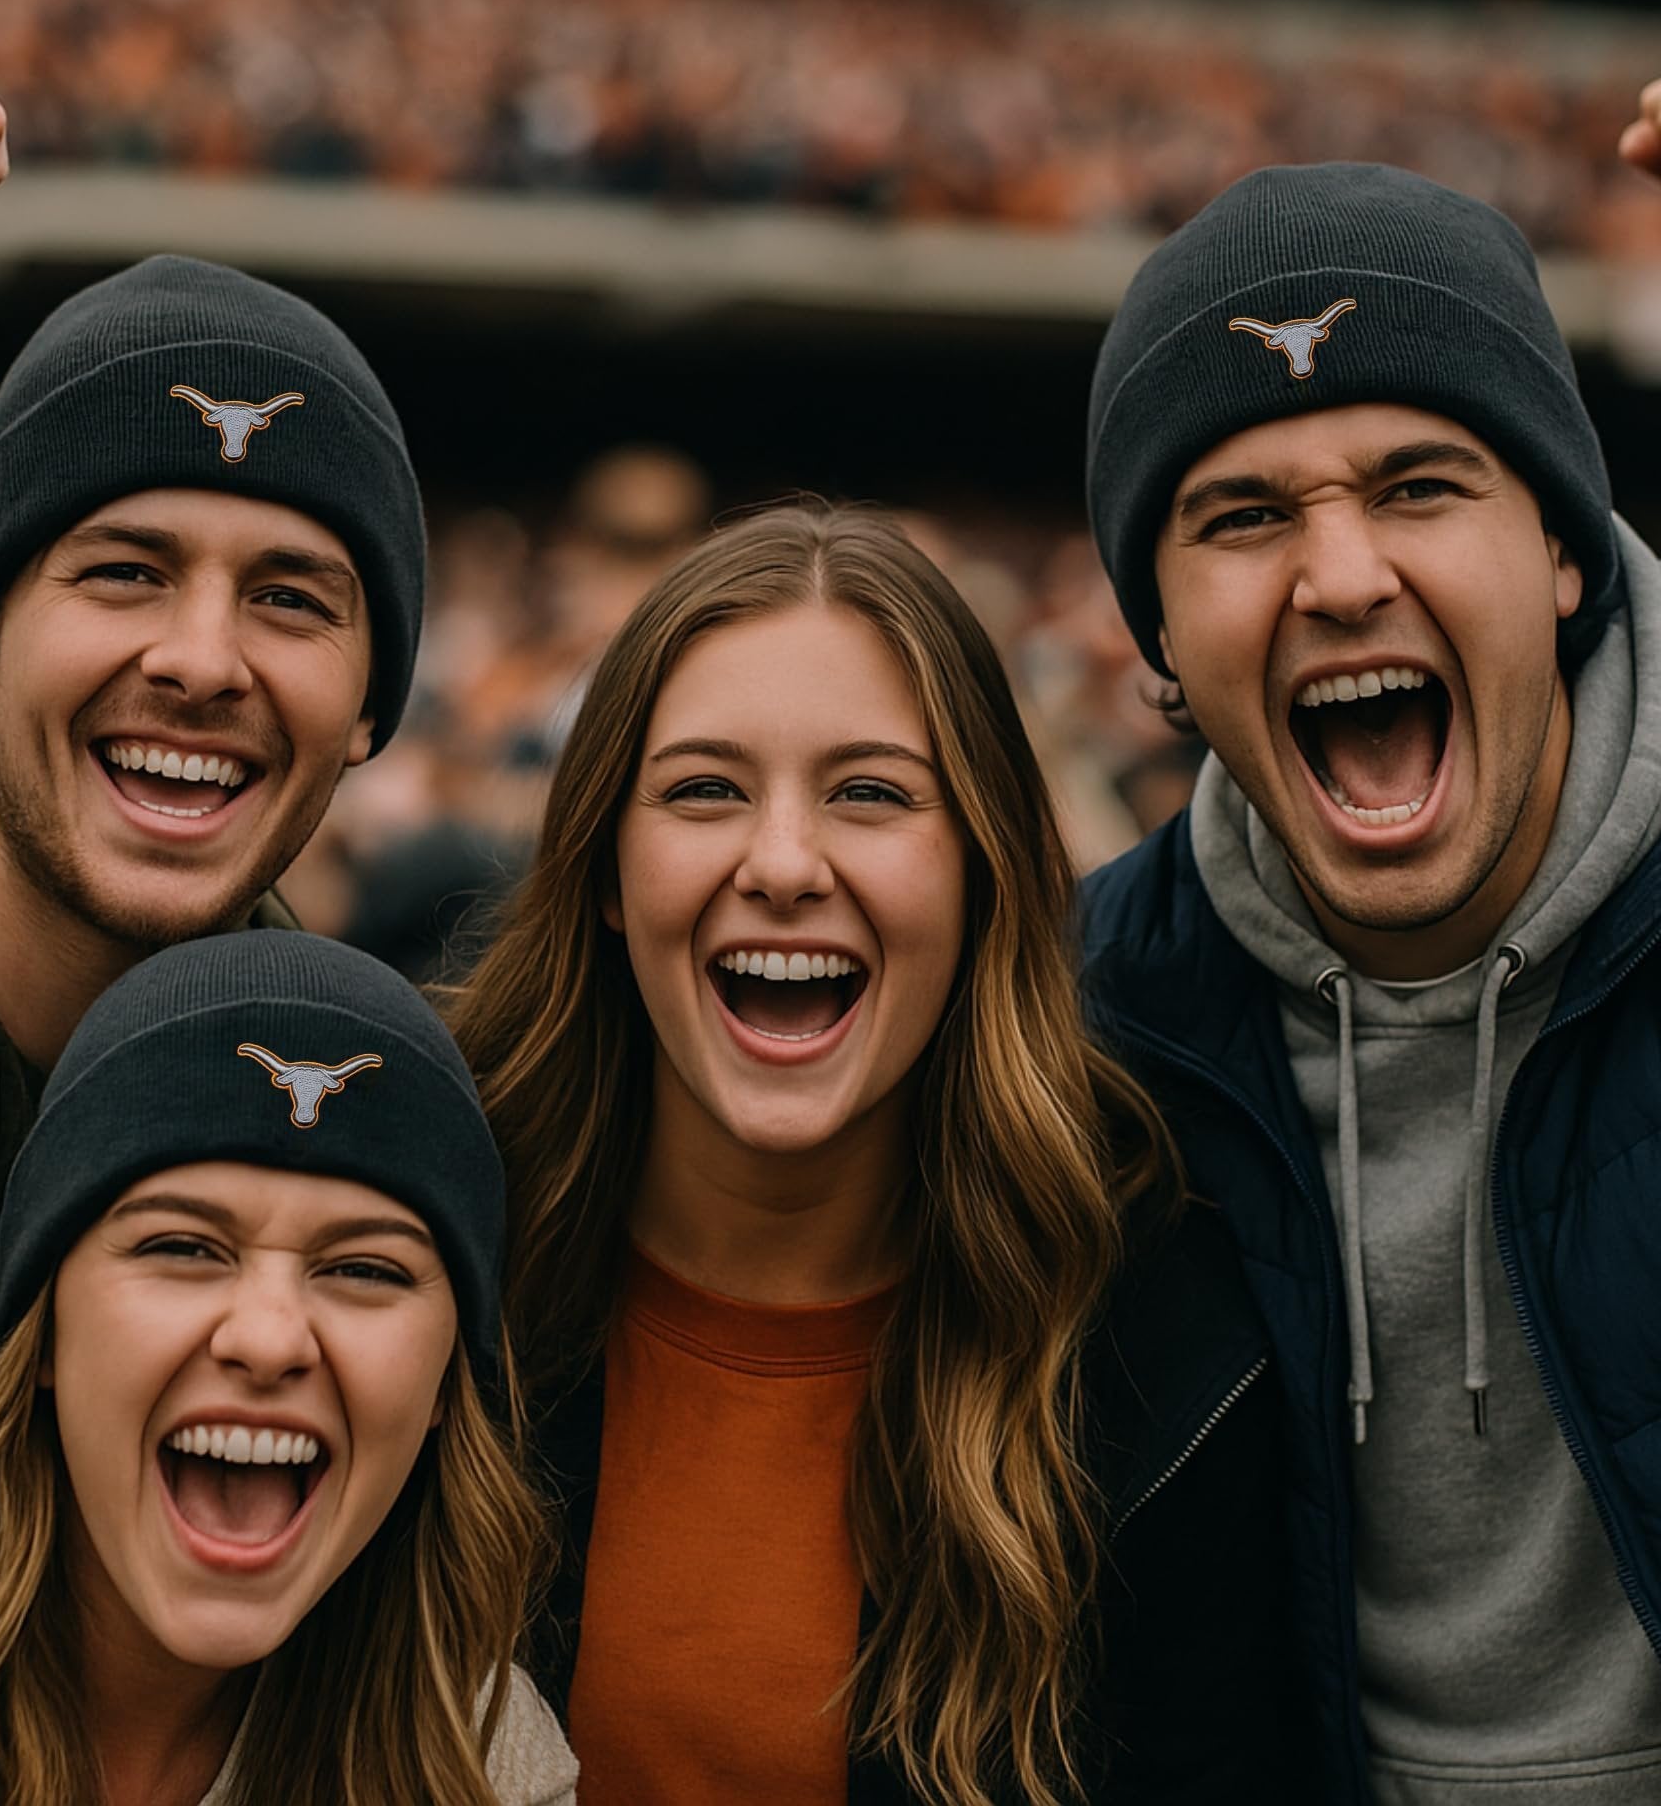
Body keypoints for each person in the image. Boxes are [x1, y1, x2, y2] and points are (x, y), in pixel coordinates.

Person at [1077, 28, 1661, 1804]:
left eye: (1419, 485)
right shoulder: (1088, 1020)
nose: (1340, 576)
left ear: (1561, 551)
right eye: (1242, 515)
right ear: (1158, 637)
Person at [447, 502, 1305, 1805]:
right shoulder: (420, 1250)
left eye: (869, 792)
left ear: (980, 868)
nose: (784, 863)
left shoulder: (1158, 1347)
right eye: (704, 789)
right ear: (608, 870)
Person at [0, 0, 430, 1426]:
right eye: (126, 572)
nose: (202, 660)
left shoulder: (365, 1117)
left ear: (368, 714)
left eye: (290, 597)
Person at [0, 928, 577, 1806]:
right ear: (43, 1332)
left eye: (365, 1269)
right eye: (183, 1247)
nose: (270, 1340)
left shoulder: (497, 1775)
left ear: (443, 1385)